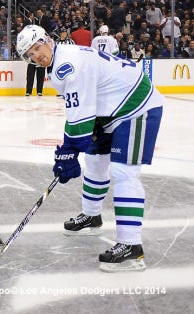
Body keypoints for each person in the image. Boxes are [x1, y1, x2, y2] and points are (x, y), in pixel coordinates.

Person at [16, 25, 164, 272]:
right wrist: (68, 149)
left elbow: (80, 119)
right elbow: (78, 110)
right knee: (95, 161)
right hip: (109, 109)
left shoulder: (68, 65)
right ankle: (92, 216)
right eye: (29, 54)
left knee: (123, 172)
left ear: (48, 41)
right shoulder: (59, 62)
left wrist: (69, 151)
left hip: (137, 107)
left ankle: (131, 246)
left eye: (36, 48)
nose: (35, 56)